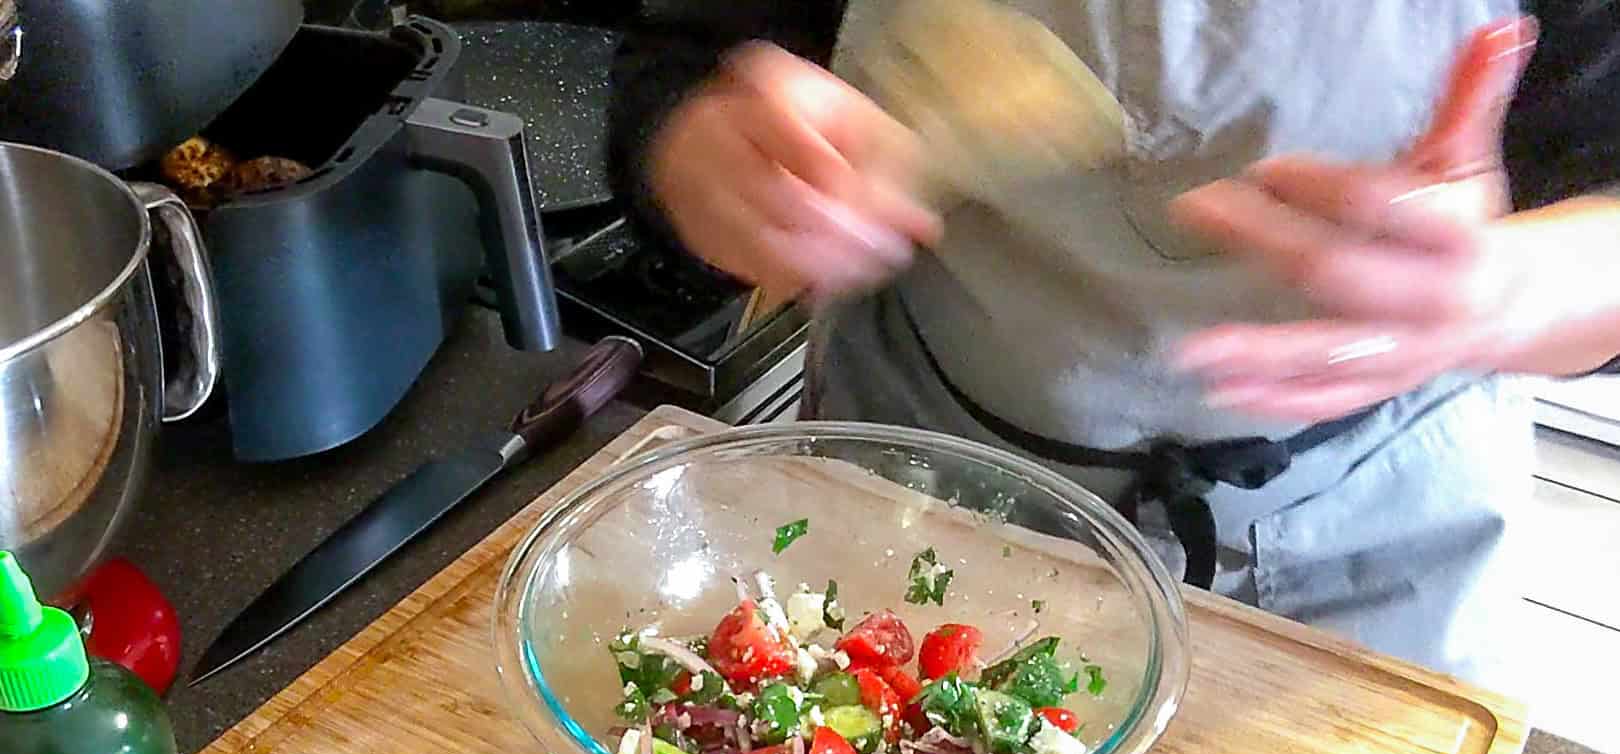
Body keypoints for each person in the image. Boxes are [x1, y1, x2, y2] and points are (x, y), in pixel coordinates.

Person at [606, 2, 1620, 692]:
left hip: (1361, 547)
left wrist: (1514, 286)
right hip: (908, 496)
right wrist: (702, 151)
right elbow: (687, 54)